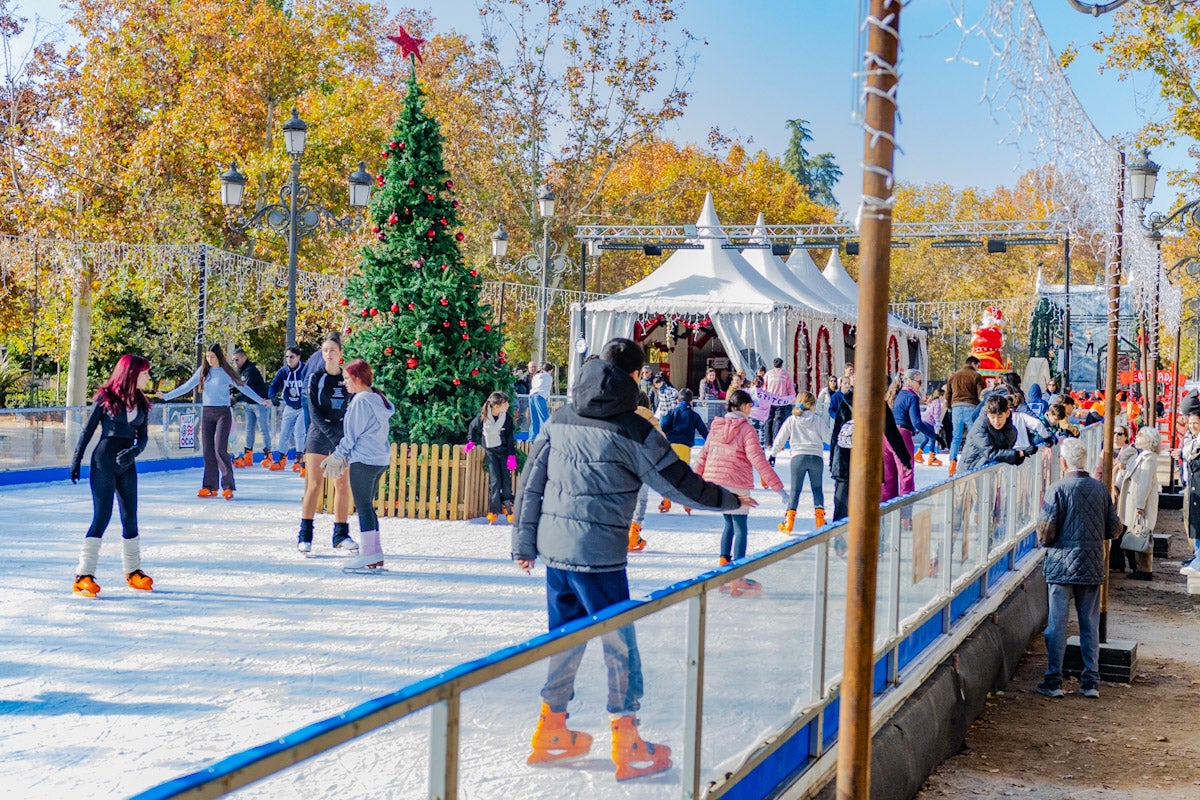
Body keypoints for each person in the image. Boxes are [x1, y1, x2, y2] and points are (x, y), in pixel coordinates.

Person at [512, 337, 749, 780]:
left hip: (557, 553)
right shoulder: (635, 429)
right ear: (637, 376)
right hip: (599, 558)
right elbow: (676, 483)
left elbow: (530, 482)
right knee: (619, 646)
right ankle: (627, 738)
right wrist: (729, 500)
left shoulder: (560, 419)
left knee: (563, 639)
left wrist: (524, 544)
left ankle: (551, 727)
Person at [1034, 438, 1121, 699]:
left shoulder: (1057, 489)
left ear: (1062, 462)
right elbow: (1113, 529)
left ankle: (1054, 680)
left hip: (1061, 565)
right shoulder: (1100, 489)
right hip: (1092, 563)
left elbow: (1046, 532)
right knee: (1089, 625)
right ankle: (1090, 681)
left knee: (1057, 625)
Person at [69, 354, 155, 597]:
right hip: (103, 463)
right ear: (132, 373)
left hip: (127, 464)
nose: (148, 377)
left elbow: (143, 435)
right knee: (102, 516)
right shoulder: (105, 397)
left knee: (130, 516)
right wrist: (76, 461)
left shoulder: (141, 402)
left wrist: (136, 450)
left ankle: (133, 571)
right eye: (145, 372)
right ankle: (83, 575)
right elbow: (87, 431)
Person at [697, 389, 785, 591]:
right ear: (745, 406)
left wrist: (691, 484)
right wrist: (777, 487)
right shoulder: (747, 429)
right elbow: (758, 459)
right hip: (737, 483)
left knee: (728, 524)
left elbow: (703, 456)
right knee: (740, 527)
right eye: (750, 406)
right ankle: (738, 575)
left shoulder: (716, 427)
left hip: (716, 483)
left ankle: (724, 568)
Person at [158, 343, 269, 500]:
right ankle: (209, 486)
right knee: (207, 450)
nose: (209, 360)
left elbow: (243, 387)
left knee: (219, 449)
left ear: (219, 357)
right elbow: (187, 386)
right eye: (207, 357)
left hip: (223, 413)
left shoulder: (225, 372)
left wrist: (260, 400)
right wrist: (167, 396)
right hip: (207, 413)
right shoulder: (203, 371)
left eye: (212, 357)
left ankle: (228, 486)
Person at [320, 359, 394, 572]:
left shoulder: (361, 401)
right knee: (367, 506)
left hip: (364, 460)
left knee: (362, 507)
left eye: (347, 379)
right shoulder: (377, 399)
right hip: (378, 459)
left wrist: (338, 455)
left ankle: (369, 555)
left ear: (358, 378)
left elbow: (352, 435)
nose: (344, 383)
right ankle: (375, 553)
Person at [297, 333, 357, 556]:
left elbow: (352, 408)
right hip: (319, 434)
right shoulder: (315, 378)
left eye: (333, 350)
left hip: (340, 435)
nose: (329, 354)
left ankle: (341, 534)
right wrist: (333, 437)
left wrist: (343, 439)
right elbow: (314, 413)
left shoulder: (347, 378)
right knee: (315, 485)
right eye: (325, 350)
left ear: (340, 353)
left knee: (342, 485)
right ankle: (305, 535)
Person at [769, 390, 831, 532]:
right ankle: (820, 521)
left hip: (798, 458)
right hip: (816, 458)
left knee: (795, 491)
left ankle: (789, 523)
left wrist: (773, 454)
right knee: (817, 489)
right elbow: (829, 438)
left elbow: (780, 438)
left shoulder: (792, 420)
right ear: (812, 405)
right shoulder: (817, 420)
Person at [466, 391, 517, 525]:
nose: (507, 405)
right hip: (491, 452)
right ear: (496, 405)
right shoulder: (483, 417)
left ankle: (508, 507)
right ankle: (494, 510)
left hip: (504, 452)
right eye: (505, 403)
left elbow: (510, 438)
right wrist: (471, 441)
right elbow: (472, 427)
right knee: (495, 481)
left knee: (506, 480)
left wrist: (511, 455)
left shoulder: (507, 418)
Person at [1119, 427, 1162, 580]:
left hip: (1139, 502)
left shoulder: (1148, 458)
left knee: (1140, 532)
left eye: (1140, 435)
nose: (1136, 437)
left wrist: (1139, 505)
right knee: (1137, 531)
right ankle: (1140, 567)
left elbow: (1145, 484)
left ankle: (1144, 569)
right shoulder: (1142, 456)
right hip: (1135, 501)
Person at [889, 369, 937, 493]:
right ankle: (906, 509)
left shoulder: (895, 394)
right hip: (902, 435)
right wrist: (934, 436)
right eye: (919, 382)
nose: (920, 385)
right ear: (909, 381)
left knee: (889, 475)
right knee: (906, 473)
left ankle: (887, 509)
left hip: (887, 435)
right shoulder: (912, 397)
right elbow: (917, 422)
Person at [1099, 424, 1139, 573]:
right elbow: (1099, 471)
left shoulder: (1129, 452)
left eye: (1120, 433)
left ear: (1126, 437)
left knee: (1122, 526)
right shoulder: (1105, 451)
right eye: (1114, 432)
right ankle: (1116, 562)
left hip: (1123, 494)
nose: (1116, 435)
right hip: (1108, 493)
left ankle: (1128, 563)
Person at [958, 395, 1028, 473]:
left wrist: (1019, 457)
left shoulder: (1011, 431)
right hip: (970, 471)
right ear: (988, 415)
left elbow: (1004, 454)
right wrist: (1018, 454)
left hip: (990, 472)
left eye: (1000, 416)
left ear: (1007, 413)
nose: (996, 421)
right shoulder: (979, 428)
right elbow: (991, 453)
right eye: (992, 417)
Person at [230, 348, 274, 468]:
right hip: (249, 404)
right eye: (233, 360)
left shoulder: (250, 370)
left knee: (263, 429)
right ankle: (248, 455)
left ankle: (268, 455)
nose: (235, 362)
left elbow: (246, 390)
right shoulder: (241, 371)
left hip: (260, 403)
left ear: (244, 358)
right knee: (249, 429)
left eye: (237, 359)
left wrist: (235, 399)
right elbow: (238, 386)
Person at [267, 346, 308, 474]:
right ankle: (281, 459)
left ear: (298, 357)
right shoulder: (283, 371)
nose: (289, 359)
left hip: (302, 407)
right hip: (289, 406)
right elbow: (273, 386)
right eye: (287, 357)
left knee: (299, 432)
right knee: (284, 433)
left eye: (292, 357)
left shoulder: (305, 370)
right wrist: (272, 396)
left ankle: (300, 459)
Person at [946, 356, 987, 476]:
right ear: (973, 364)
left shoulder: (954, 376)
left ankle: (952, 463)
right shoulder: (976, 376)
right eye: (978, 365)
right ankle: (970, 460)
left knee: (956, 437)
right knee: (973, 435)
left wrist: (949, 406)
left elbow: (948, 393)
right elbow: (981, 394)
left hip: (956, 407)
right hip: (971, 407)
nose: (978, 368)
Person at [1176, 414, 1200, 576]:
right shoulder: (1189, 441)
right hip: (1192, 487)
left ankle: (1198, 562)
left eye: (1196, 423)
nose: (1192, 426)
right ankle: (1197, 558)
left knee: (1197, 524)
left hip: (1197, 487)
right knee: (1194, 524)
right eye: (1190, 423)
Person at [763, 357, 797, 444]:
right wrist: (793, 397)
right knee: (778, 420)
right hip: (781, 401)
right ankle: (776, 441)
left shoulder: (768, 374)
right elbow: (790, 388)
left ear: (773, 365)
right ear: (782, 365)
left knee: (768, 420)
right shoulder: (785, 374)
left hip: (770, 400)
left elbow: (764, 387)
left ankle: (767, 442)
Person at [918, 385, 946, 466]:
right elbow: (936, 414)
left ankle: (918, 454)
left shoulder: (932, 401)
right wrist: (938, 422)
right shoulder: (937, 403)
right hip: (929, 422)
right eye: (944, 395)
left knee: (926, 439)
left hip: (925, 420)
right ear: (941, 395)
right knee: (933, 439)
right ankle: (932, 458)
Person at [528, 361, 553, 441]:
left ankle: (532, 438)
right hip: (540, 396)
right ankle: (546, 437)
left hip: (532, 396)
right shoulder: (548, 376)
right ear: (550, 370)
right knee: (544, 418)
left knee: (534, 419)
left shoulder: (536, 375)